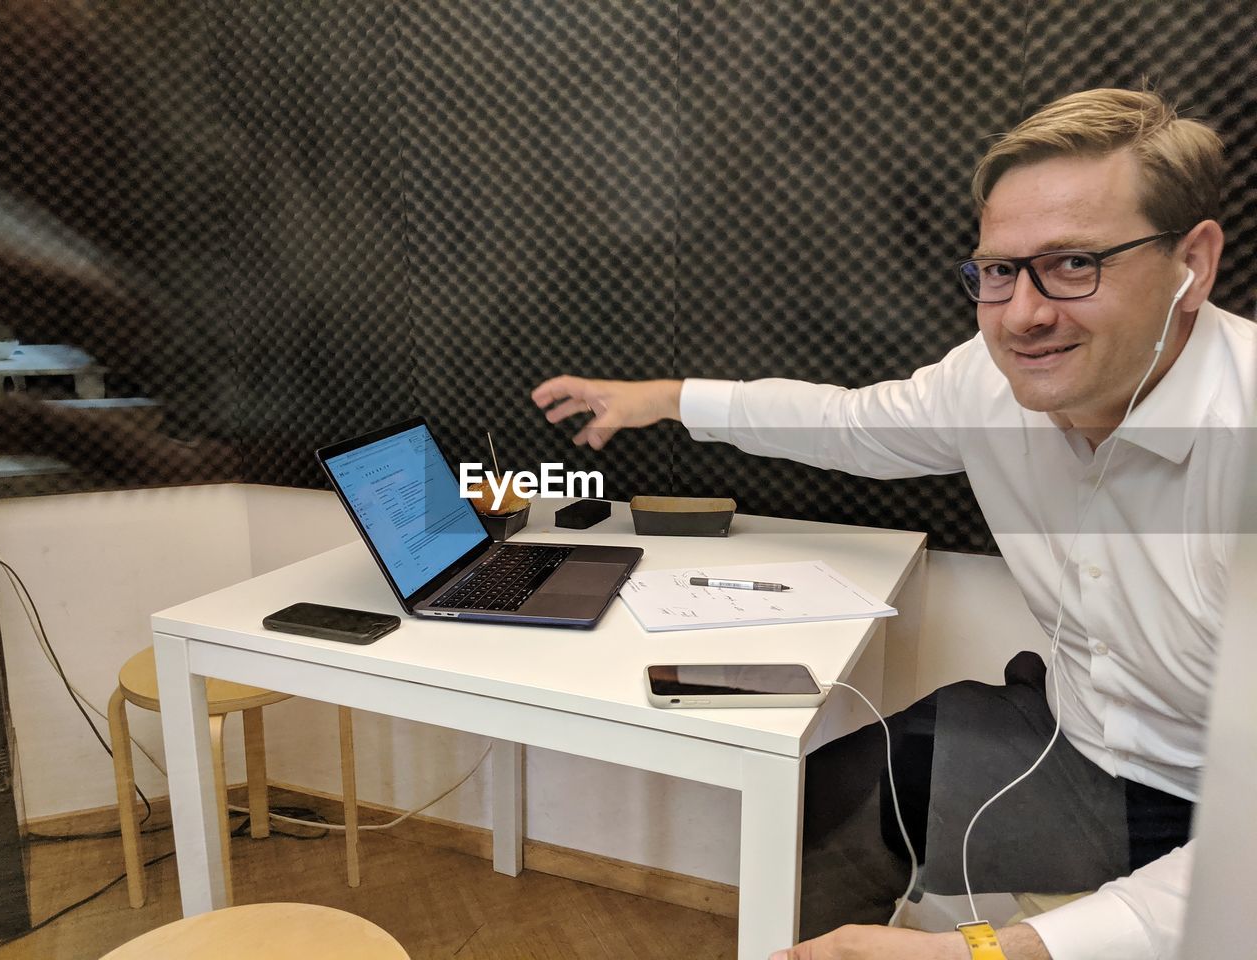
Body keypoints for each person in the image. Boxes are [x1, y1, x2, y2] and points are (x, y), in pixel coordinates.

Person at [531, 88, 1255, 960]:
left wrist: (986, 953)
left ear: (1194, 264)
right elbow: (846, 422)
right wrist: (664, 399)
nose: (1023, 315)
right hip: (1073, 742)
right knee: (828, 804)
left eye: (1074, 265)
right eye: (998, 271)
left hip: (1220, 810)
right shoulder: (987, 383)